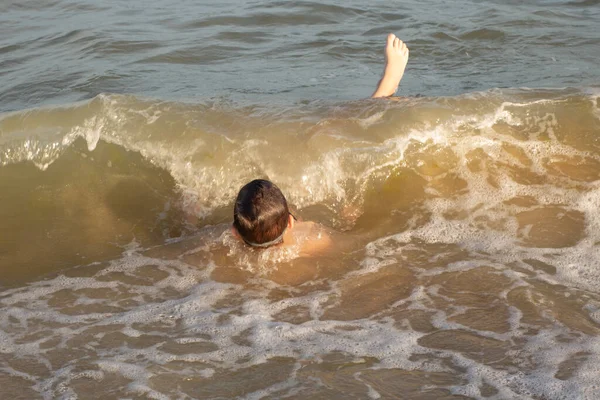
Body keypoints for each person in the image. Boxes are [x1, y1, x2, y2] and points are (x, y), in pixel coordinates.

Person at [231, 34, 410, 252]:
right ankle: (386, 88)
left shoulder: (219, 258)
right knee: (327, 126)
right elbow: (358, 245)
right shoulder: (316, 238)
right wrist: (351, 219)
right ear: (290, 223)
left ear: (234, 233)